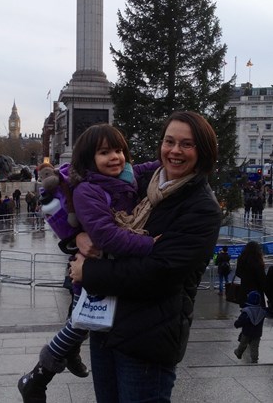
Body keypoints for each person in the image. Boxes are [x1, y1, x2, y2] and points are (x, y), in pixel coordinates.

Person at [69, 110, 222, 402]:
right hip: (106, 327)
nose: (175, 151)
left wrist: (87, 272)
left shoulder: (201, 208)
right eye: (169, 141)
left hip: (147, 340)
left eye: (187, 144)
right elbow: (94, 212)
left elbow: (159, 274)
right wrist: (77, 237)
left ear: (203, 151)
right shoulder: (139, 183)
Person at [18, 123, 160, 403]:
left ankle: (51, 366)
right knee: (82, 321)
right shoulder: (88, 190)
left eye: (119, 150)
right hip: (95, 266)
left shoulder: (126, 175)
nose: (115, 157)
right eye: (105, 152)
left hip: (102, 266)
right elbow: (106, 237)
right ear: (88, 159)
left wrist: (169, 156)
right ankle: (37, 376)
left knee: (82, 320)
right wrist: (150, 244)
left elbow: (146, 168)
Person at [234, 290, 267, 363]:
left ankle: (238, 353)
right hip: (257, 333)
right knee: (255, 347)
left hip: (246, 332)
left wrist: (237, 324)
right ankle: (254, 359)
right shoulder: (262, 311)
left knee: (243, 344)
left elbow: (242, 321)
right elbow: (267, 312)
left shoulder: (247, 311)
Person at [235, 241, 267, 308]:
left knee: (246, 313)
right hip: (256, 294)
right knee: (257, 315)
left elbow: (237, 273)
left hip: (244, 292)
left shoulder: (241, 259)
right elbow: (262, 280)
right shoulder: (257, 261)